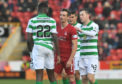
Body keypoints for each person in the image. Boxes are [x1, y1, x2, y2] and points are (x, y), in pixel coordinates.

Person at [26, 2, 59, 84]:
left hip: (38, 47)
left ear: (38, 10)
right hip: (49, 47)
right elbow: (55, 37)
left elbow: (29, 39)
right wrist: (58, 53)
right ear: (46, 10)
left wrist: (31, 51)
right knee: (51, 74)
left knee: (39, 73)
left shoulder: (32, 21)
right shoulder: (52, 21)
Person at [54, 9, 78, 84]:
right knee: (54, 77)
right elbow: (54, 43)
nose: (61, 17)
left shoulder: (72, 29)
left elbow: (75, 45)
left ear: (68, 17)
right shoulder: (55, 28)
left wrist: (70, 60)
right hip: (58, 57)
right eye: (60, 15)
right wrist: (56, 55)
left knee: (71, 78)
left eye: (64, 15)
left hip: (68, 57)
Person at [76, 8, 99, 84]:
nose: (80, 17)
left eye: (82, 15)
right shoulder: (81, 27)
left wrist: (81, 31)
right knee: (84, 78)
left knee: (90, 78)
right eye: (80, 15)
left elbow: (92, 34)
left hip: (92, 56)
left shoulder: (94, 25)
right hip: (82, 56)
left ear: (88, 15)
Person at [62, 11, 82, 84]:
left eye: (72, 17)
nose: (70, 19)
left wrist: (80, 31)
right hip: (66, 54)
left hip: (77, 54)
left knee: (76, 74)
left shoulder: (80, 26)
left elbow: (85, 37)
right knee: (64, 74)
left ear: (76, 17)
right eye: (69, 17)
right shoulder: (65, 26)